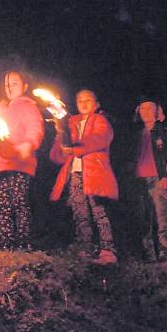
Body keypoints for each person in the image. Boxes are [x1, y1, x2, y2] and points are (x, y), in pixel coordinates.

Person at [0, 70, 45, 251]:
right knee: (3, 205)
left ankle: (23, 243)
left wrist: (28, 145)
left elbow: (35, 129)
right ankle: (7, 243)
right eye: (6, 84)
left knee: (19, 203)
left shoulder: (28, 106)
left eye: (14, 83)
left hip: (18, 164)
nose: (9, 88)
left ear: (24, 86)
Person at [50, 89, 118, 265]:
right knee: (80, 212)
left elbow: (100, 139)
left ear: (96, 104)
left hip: (96, 173)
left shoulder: (101, 120)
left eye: (88, 100)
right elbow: (59, 152)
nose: (84, 103)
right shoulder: (70, 122)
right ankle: (85, 248)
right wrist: (61, 137)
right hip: (75, 173)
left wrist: (76, 149)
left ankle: (107, 250)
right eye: (80, 100)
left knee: (99, 211)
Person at [133, 96, 167, 269]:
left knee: (163, 219)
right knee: (144, 220)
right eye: (142, 108)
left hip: (158, 179)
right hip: (140, 180)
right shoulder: (136, 134)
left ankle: (166, 258)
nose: (146, 112)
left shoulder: (163, 131)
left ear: (156, 111)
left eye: (150, 108)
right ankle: (149, 258)